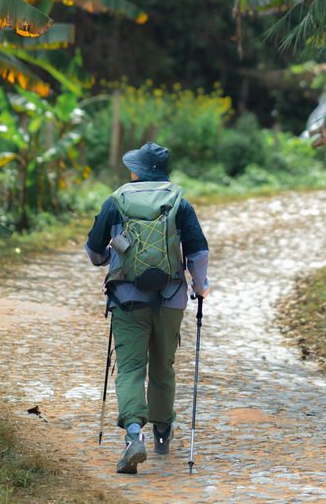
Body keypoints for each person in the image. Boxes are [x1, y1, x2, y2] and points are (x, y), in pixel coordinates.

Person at [86, 142, 209, 475]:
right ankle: (163, 432)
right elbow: (197, 252)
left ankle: (132, 436)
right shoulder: (180, 203)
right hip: (171, 299)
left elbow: (95, 252)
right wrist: (200, 287)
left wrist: (111, 256)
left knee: (129, 368)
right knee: (163, 365)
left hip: (127, 300)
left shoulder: (116, 201)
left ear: (137, 170)